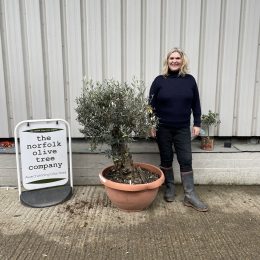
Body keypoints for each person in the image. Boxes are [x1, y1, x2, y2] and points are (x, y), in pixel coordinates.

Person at [149, 47, 208, 212]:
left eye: (177, 58)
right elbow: (150, 106)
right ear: (167, 61)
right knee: (166, 159)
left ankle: (190, 195)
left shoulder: (190, 80)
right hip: (163, 128)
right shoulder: (159, 81)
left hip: (182, 128)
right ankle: (170, 187)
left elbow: (196, 103)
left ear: (182, 61)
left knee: (186, 160)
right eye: (171, 58)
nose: (174, 61)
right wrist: (151, 124)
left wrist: (197, 123)